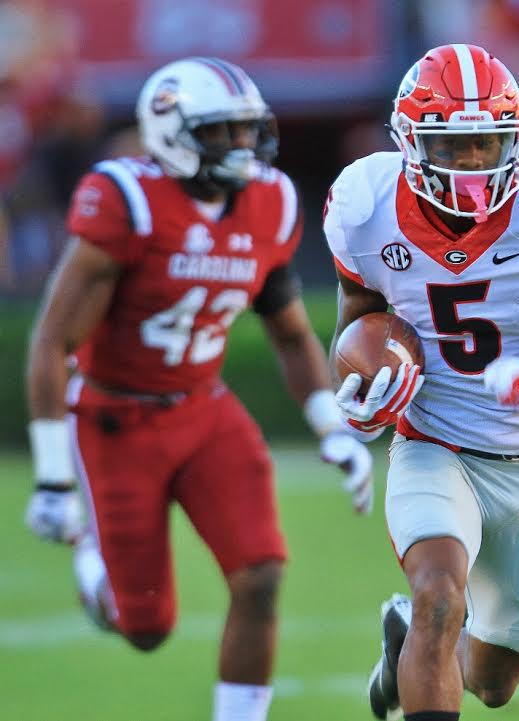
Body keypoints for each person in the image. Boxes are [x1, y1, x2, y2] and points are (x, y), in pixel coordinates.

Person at [23, 57, 373, 721]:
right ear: (170, 134)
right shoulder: (126, 200)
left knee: (262, 573)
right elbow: (51, 341)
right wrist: (51, 478)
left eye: (248, 131)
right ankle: (92, 558)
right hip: (114, 420)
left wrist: (334, 426)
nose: (243, 149)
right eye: (222, 133)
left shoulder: (269, 203)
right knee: (145, 626)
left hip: (203, 407)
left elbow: (292, 333)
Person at [322, 43, 519, 721]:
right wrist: (363, 386)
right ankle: (420, 633)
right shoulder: (365, 205)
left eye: (487, 143)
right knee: (439, 594)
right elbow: (354, 329)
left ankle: (402, 646)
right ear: (410, 143)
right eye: (454, 145)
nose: (471, 161)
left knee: (493, 680)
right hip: (435, 440)